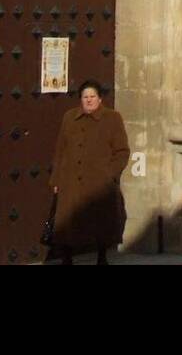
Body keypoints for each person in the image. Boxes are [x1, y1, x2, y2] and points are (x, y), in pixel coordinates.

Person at [49, 79, 130, 264]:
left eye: (93, 96)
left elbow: (122, 151)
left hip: (98, 183)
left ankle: (102, 258)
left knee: (100, 222)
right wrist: (55, 180)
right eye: (85, 97)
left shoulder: (112, 118)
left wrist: (110, 174)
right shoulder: (69, 117)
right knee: (67, 222)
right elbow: (60, 150)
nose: (89, 100)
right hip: (70, 181)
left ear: (100, 99)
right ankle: (66, 258)